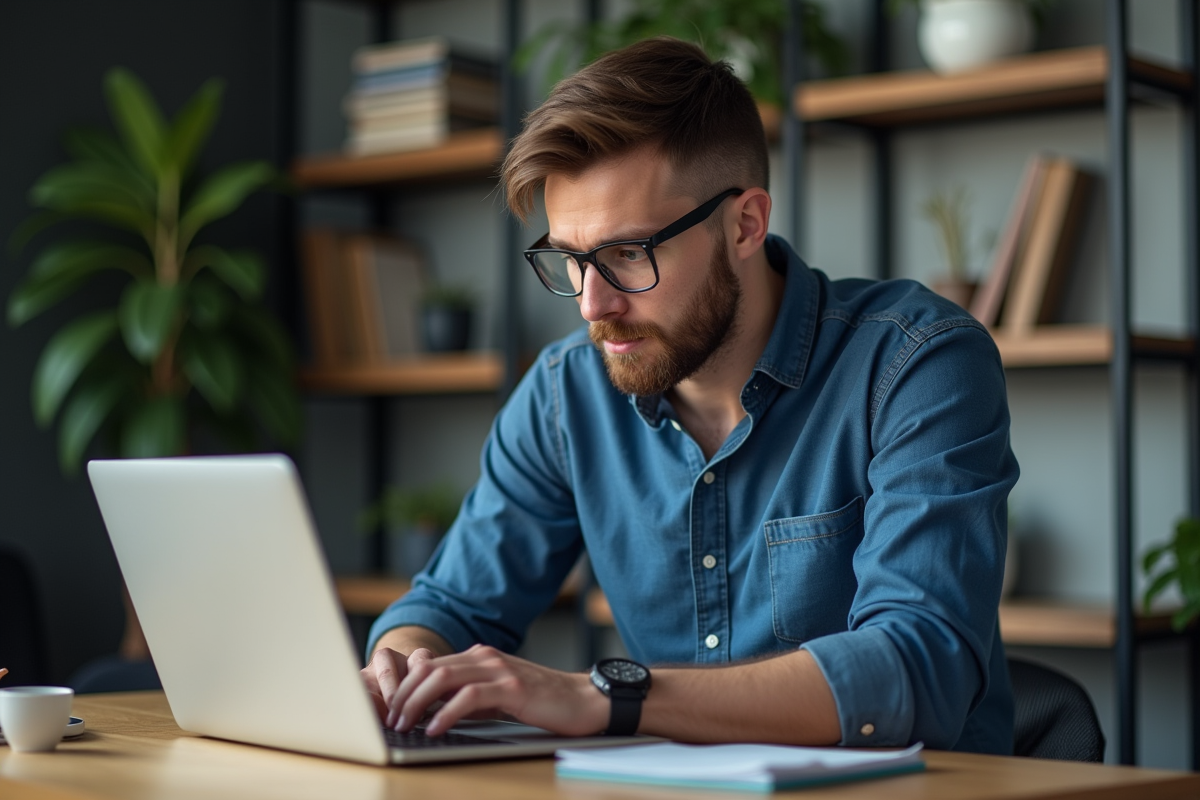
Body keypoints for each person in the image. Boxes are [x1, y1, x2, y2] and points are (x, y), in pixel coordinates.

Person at [360, 36, 1019, 754]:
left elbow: (916, 672)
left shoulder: (916, 362)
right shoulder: (565, 393)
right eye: (571, 260)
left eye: (626, 255)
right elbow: (452, 604)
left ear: (745, 223)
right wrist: (404, 664)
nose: (591, 305)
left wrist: (603, 697)